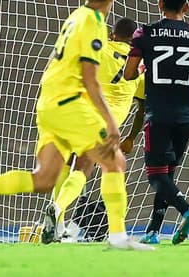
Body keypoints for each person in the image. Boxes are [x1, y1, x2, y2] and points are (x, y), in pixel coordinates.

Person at [0, 0, 153, 251]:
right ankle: (117, 237)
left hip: (48, 102)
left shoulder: (74, 18)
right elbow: (90, 79)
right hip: (70, 104)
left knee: (44, 179)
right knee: (114, 161)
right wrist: (111, 122)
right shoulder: (93, 25)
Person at [123, 0, 189, 245]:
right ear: (186, 7)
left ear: (160, 4)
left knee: (156, 175)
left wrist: (146, 66)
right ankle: (153, 231)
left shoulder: (145, 33)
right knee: (167, 173)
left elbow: (129, 73)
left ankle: (187, 209)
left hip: (158, 114)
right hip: (186, 115)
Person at [45, 16, 145, 243]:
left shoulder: (99, 48)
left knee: (68, 162)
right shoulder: (140, 65)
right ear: (134, 41)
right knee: (83, 168)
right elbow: (142, 108)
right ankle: (58, 208)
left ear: (113, 35)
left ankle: (57, 221)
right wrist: (130, 137)